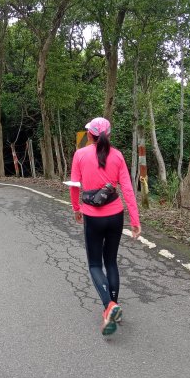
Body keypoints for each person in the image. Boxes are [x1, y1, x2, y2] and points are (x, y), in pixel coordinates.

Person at [70, 117, 141, 336]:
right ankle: (114, 306)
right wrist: (135, 221)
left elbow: (74, 186)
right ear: (108, 135)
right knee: (110, 262)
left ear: (90, 135)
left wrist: (76, 208)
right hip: (116, 215)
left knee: (94, 264)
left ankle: (109, 306)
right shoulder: (118, 155)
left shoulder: (80, 154)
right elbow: (128, 189)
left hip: (93, 216)